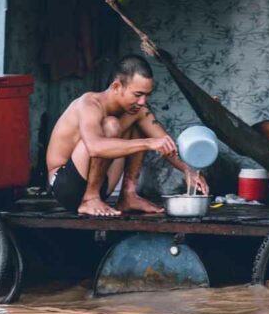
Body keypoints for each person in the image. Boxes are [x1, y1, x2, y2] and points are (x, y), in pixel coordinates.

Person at [46, 55, 209, 216]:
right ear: (117, 87)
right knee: (111, 125)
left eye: (147, 95)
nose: (143, 101)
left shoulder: (137, 109)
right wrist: (147, 143)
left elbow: (164, 143)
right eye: (138, 95)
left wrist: (188, 171)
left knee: (138, 119)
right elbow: (95, 147)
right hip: (65, 185)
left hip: (102, 184)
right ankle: (90, 198)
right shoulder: (89, 104)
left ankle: (128, 195)